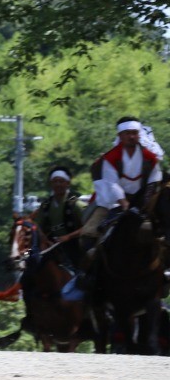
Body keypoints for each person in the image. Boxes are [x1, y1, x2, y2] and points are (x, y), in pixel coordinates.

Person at [76, 117, 164, 286]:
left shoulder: (150, 159)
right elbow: (111, 184)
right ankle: (87, 275)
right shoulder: (110, 158)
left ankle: (163, 273)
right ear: (121, 136)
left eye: (134, 133)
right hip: (112, 202)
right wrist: (124, 204)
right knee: (88, 232)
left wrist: (146, 203)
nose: (132, 137)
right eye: (127, 133)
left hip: (144, 202)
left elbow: (154, 181)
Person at [29, 166, 86, 266]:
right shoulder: (45, 205)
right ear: (51, 184)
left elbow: (88, 226)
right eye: (55, 181)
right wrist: (44, 239)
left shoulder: (76, 204)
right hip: (51, 247)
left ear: (67, 183)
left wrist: (68, 237)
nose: (58, 184)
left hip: (75, 245)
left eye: (61, 181)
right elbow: (37, 225)